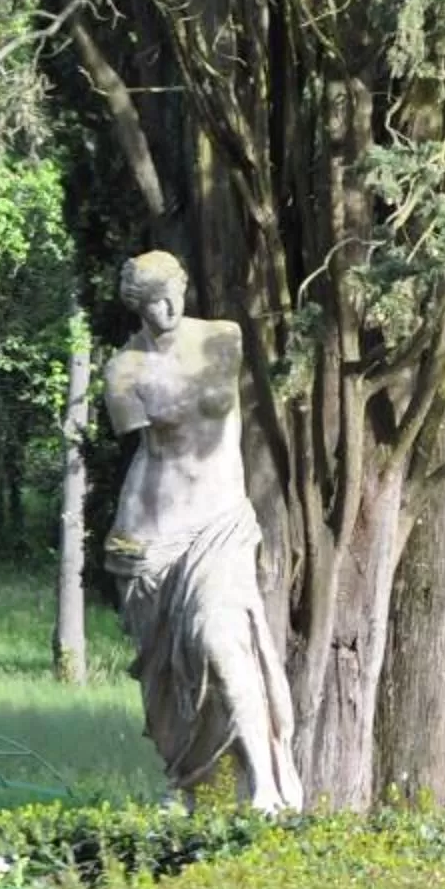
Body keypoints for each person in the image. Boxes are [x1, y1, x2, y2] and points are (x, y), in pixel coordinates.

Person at [104, 251, 304, 812]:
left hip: (220, 524)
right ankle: (192, 784)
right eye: (151, 300)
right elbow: (146, 452)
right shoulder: (125, 369)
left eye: (172, 293)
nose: (165, 308)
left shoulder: (224, 337)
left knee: (222, 639)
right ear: (136, 306)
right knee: (169, 676)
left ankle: (265, 786)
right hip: (151, 538)